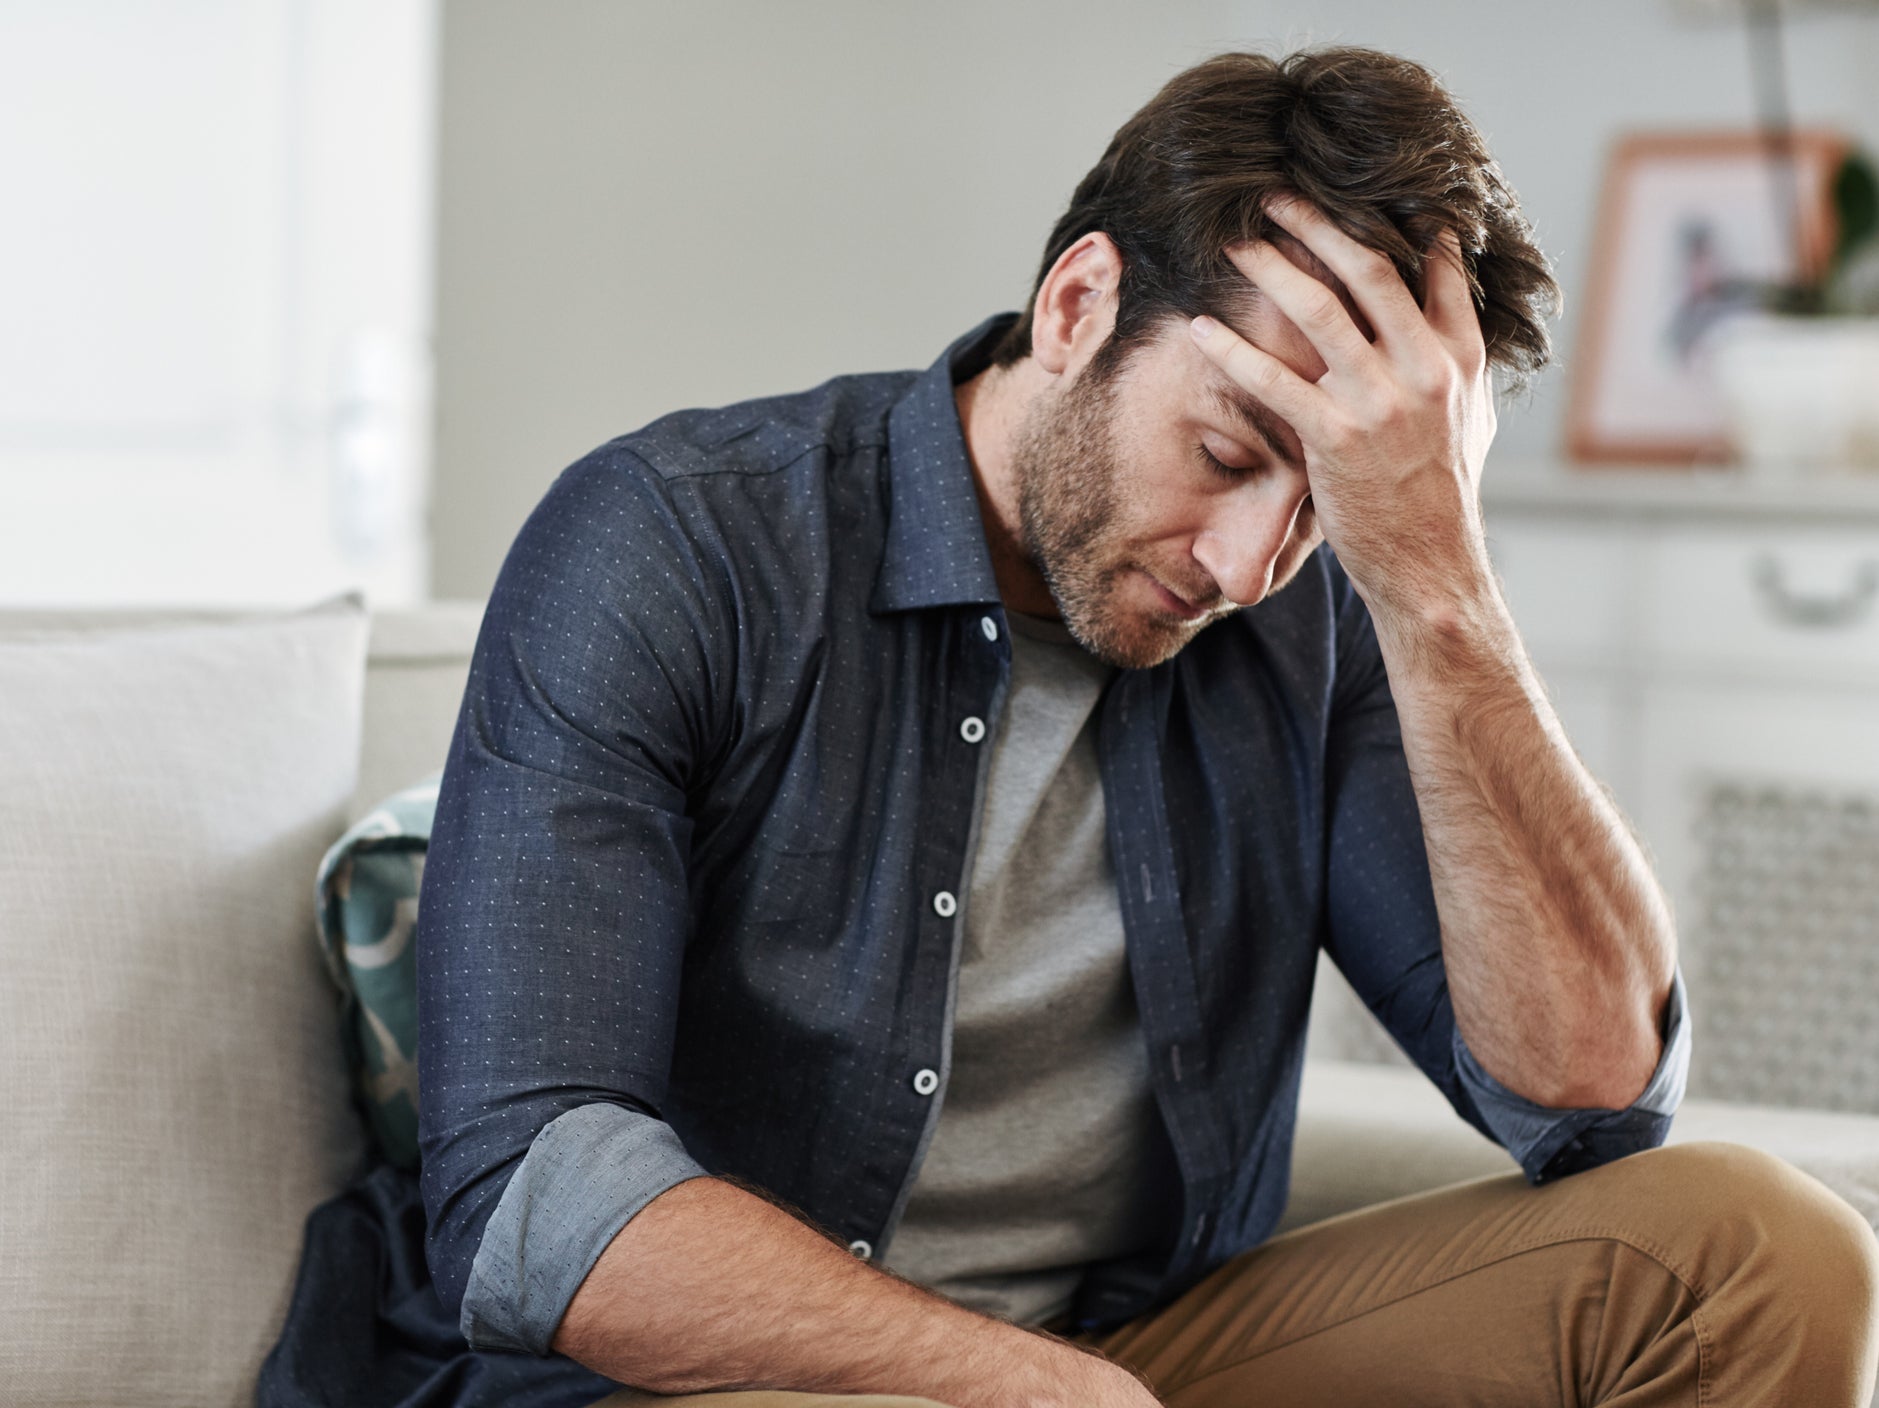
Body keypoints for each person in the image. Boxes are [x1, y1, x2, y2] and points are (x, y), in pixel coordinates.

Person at [415, 47, 1879, 1406]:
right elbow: (539, 1200)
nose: (1248, 570)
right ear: (1077, 308)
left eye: (1325, 504)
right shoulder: (674, 544)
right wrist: (1030, 1388)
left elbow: (1591, 1109)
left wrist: (1436, 580)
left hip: (1133, 1359)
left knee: (1761, 1254)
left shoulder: (1325, 607)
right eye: (1231, 455)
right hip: (715, 1380)